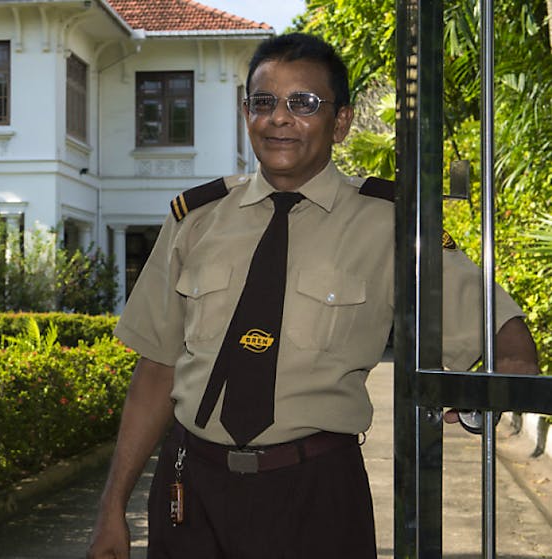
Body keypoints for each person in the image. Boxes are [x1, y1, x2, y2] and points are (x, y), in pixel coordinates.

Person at [86, 32, 540, 559]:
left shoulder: (389, 224)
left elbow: (497, 319)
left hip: (315, 493)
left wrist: (508, 373)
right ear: (246, 112)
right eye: (264, 102)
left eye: (303, 103)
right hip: (192, 490)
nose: (279, 118)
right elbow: (157, 369)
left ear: (341, 122)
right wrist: (112, 505)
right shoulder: (197, 219)